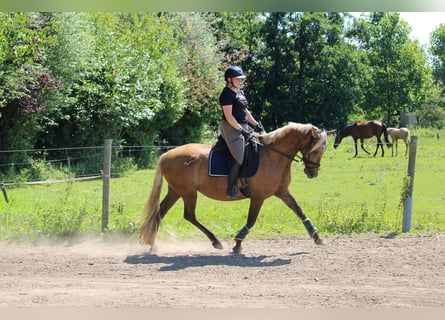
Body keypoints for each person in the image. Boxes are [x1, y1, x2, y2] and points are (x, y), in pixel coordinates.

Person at [219, 65, 264, 199]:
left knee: (255, 148)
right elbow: (229, 116)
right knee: (239, 156)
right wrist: (241, 130)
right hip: (230, 126)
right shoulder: (226, 94)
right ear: (229, 79)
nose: (240, 81)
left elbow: (245, 111)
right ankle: (231, 187)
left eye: (241, 79)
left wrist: (256, 124)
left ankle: (245, 183)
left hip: (243, 125)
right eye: (237, 79)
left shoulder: (240, 92)